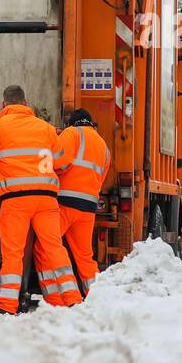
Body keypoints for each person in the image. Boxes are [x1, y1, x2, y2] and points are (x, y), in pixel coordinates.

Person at [0, 85, 83, 314]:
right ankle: (73, 299)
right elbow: (61, 161)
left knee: (13, 252)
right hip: (46, 199)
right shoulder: (46, 128)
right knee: (55, 248)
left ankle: (7, 304)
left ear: (4, 105)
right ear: (26, 103)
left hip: (15, 200)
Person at [55, 108, 108, 292]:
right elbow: (102, 177)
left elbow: (59, 162)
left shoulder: (71, 133)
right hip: (88, 207)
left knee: (48, 247)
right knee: (84, 255)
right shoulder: (102, 144)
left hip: (65, 202)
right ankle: (94, 293)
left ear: (72, 122)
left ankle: (65, 291)